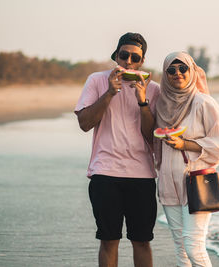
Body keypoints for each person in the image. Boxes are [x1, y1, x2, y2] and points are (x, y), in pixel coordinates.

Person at [75, 32, 160, 267]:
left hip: (142, 175)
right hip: (105, 173)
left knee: (142, 241)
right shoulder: (97, 81)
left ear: (142, 61)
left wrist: (142, 101)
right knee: (109, 240)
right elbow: (84, 123)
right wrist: (110, 93)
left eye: (135, 58)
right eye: (124, 56)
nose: (129, 62)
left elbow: (152, 136)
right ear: (116, 56)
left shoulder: (153, 89)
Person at [155, 51, 219, 267]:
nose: (177, 73)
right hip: (169, 184)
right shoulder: (162, 105)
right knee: (181, 249)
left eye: (183, 68)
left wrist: (184, 144)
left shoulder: (203, 102)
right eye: (171, 70)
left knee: (193, 246)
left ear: (192, 72)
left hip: (196, 182)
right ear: (165, 74)